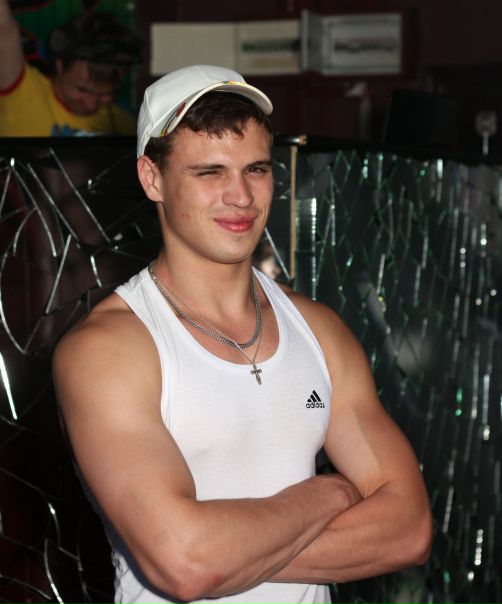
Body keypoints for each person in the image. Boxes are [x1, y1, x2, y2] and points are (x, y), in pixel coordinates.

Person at [52, 64, 433, 604]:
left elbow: (410, 529)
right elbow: (185, 564)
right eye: (210, 172)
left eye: (256, 169)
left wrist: (228, 553)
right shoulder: (108, 350)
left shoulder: (318, 329)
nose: (241, 196)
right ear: (152, 178)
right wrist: (331, 492)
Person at [0, 0, 141, 137]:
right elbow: (3, 28)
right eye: (82, 90)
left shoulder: (126, 125)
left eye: (105, 94)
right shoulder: (23, 92)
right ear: (60, 65)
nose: (91, 105)